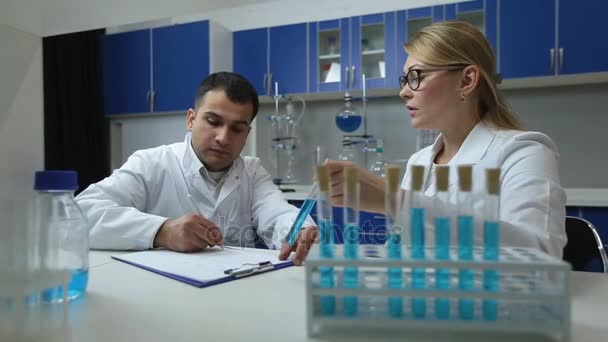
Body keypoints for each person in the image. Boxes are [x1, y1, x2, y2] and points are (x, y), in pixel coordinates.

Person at [326, 21, 567, 258]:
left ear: (467, 81)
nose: (404, 91)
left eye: (416, 76)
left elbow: (540, 254)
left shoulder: (525, 152)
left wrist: (395, 200)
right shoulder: (419, 161)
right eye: (404, 79)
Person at [77, 72, 317, 265]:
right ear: (191, 119)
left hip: (238, 292)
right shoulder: (151, 163)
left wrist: (298, 230)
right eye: (213, 122)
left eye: (237, 128)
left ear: (247, 133)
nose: (223, 137)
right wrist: (162, 231)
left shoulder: (252, 171)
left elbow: (277, 212)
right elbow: (79, 215)